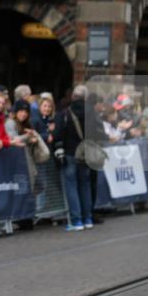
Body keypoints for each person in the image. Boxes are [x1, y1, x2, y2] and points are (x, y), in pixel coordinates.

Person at [53, 84, 94, 231]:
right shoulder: (92, 113)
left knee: (72, 186)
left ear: (72, 97)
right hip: (86, 154)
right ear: (86, 98)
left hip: (70, 153)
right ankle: (88, 218)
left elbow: (57, 135)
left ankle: (77, 221)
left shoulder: (64, 114)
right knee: (85, 185)